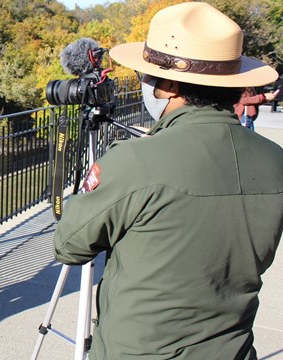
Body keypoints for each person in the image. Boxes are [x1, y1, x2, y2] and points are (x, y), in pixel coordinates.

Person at [53, 3, 283, 359]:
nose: (145, 83)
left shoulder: (134, 161)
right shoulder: (275, 161)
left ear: (170, 85)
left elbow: (69, 245)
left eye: (148, 75)